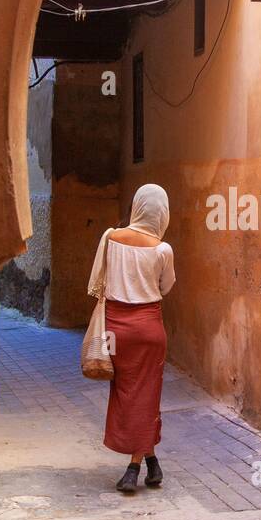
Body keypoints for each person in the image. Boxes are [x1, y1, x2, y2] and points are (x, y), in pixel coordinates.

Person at [86, 183, 175, 493]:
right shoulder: (163, 250)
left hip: (115, 331)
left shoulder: (110, 238)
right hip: (149, 331)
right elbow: (166, 288)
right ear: (161, 212)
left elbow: (97, 281)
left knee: (124, 392)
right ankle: (138, 465)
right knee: (146, 397)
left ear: (137, 206)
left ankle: (147, 464)